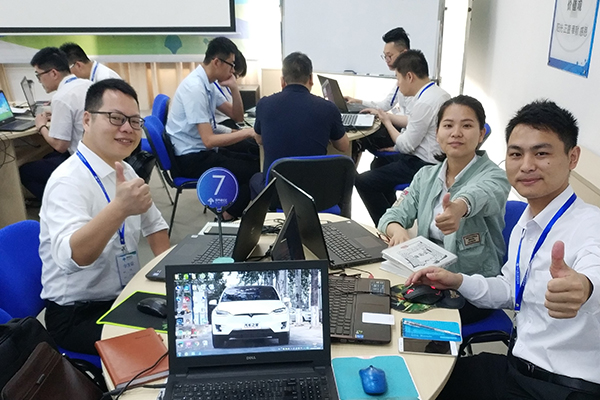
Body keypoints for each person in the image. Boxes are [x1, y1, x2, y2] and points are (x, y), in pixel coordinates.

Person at [407, 100, 600, 400]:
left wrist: (585, 288)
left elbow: (594, 270)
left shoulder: (591, 224)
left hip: (563, 387)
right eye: (516, 154)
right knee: (419, 381)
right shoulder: (526, 222)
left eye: (541, 153)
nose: (526, 165)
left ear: (572, 157)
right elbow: (510, 289)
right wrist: (457, 281)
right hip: (516, 369)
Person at [40, 79, 170, 355]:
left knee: (191, 319)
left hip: (122, 296)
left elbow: (155, 226)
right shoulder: (67, 181)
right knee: (169, 345)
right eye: (116, 118)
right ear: (87, 120)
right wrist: (119, 208)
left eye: (134, 121)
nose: (128, 128)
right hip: (77, 315)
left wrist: (171, 279)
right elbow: (76, 257)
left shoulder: (124, 170)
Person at [378, 95, 510, 324]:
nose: (456, 133)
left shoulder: (495, 175)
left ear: (481, 134)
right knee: (378, 298)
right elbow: (393, 214)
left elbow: (482, 193)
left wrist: (459, 207)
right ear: (437, 133)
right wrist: (397, 229)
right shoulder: (426, 176)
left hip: (471, 287)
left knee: (403, 318)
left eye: (466, 126)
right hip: (427, 276)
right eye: (448, 125)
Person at [166, 36, 259, 220]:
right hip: (191, 158)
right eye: (231, 65)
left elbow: (237, 116)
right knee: (254, 171)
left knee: (255, 162)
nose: (233, 70)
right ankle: (227, 215)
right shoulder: (195, 88)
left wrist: (234, 88)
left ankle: (229, 211)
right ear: (217, 62)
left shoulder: (207, 83)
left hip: (201, 151)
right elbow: (208, 140)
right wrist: (247, 132)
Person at [355, 49, 450, 225]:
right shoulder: (437, 94)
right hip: (432, 158)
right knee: (378, 163)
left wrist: (387, 123)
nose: (398, 84)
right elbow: (414, 121)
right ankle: (395, 214)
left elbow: (406, 146)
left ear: (409, 77)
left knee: (363, 182)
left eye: (398, 79)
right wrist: (385, 115)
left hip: (423, 164)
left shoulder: (424, 103)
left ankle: (388, 225)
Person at [249, 52, 349, 198]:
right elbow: (343, 146)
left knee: (255, 179)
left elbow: (259, 139)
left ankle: (265, 213)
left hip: (276, 194)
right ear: (311, 79)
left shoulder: (264, 104)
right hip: (315, 194)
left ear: (282, 80)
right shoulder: (328, 108)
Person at [19, 47, 93, 201]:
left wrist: (41, 126)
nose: (39, 81)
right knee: (48, 156)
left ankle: (60, 204)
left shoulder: (61, 97)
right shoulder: (87, 84)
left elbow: (60, 146)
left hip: (82, 161)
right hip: (95, 153)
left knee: (25, 171)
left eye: (39, 75)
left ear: (53, 73)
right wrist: (57, 117)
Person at [345, 27, 413, 156]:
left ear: (404, 53)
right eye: (385, 56)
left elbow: (413, 122)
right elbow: (386, 104)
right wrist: (357, 101)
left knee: (362, 134)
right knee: (362, 126)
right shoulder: (401, 76)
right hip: (400, 129)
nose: (387, 60)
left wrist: (398, 147)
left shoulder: (412, 80)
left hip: (404, 135)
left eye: (390, 56)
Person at [213, 50, 259, 159]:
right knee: (254, 149)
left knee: (255, 143)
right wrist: (235, 132)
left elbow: (238, 117)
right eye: (234, 74)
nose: (234, 78)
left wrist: (234, 88)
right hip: (221, 131)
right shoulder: (212, 87)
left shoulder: (224, 86)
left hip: (228, 127)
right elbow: (211, 131)